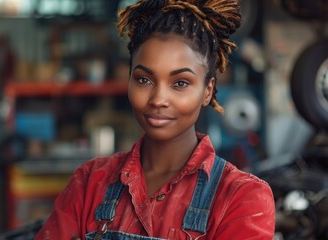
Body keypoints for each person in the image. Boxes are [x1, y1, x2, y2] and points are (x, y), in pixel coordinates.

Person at [35, 0, 275, 239]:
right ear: (128, 80)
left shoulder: (242, 197)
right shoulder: (89, 182)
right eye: (144, 80)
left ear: (207, 91)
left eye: (180, 83)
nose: (158, 99)